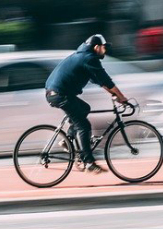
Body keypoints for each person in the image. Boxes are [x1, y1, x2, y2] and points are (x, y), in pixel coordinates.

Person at [45, 34, 130, 174]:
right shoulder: (89, 58)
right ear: (96, 47)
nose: (105, 51)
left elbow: (100, 81)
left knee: (85, 108)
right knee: (84, 125)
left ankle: (68, 140)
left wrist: (115, 94)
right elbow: (106, 80)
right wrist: (121, 97)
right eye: (104, 48)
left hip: (57, 93)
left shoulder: (83, 56)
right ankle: (89, 162)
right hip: (60, 95)